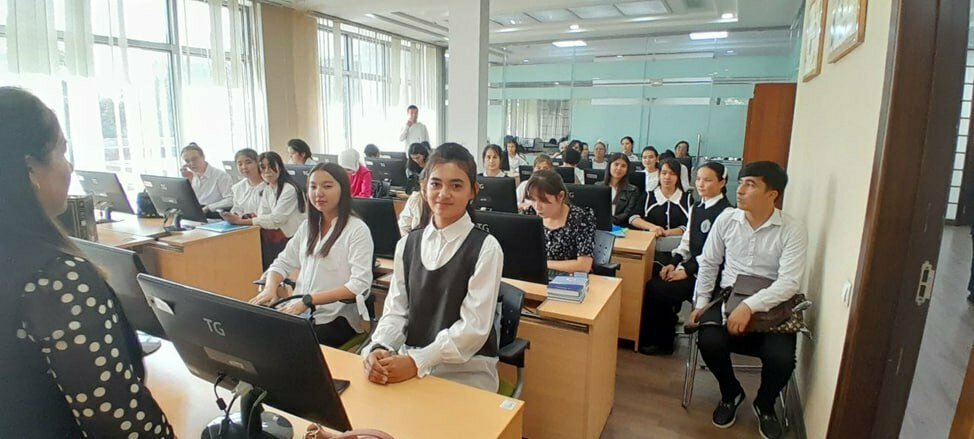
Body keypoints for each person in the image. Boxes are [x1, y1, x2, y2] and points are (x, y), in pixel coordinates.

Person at [0, 86, 173, 437]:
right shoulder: (57, 278)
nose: (69, 166)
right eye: (62, 151)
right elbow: (121, 425)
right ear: (31, 169)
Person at [362, 143, 504, 392]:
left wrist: (417, 362)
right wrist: (380, 346)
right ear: (423, 187)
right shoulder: (407, 244)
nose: (443, 193)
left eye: (456, 186)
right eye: (436, 184)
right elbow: (396, 311)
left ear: (473, 191)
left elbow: (473, 329)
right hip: (410, 359)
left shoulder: (486, 248)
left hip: (466, 371)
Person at [689, 161, 807, 439]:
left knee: (782, 360)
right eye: (740, 183)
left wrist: (749, 306)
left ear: (772, 194)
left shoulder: (792, 229)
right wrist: (701, 303)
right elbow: (709, 263)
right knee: (708, 340)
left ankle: (765, 404)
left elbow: (789, 283)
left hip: (772, 305)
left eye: (750, 184)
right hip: (727, 296)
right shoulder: (727, 219)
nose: (740, 190)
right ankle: (731, 392)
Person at [250, 163, 374, 348]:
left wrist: (310, 300)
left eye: (327, 186)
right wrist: (270, 288)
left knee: (283, 346)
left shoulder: (356, 229)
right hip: (300, 310)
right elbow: (281, 263)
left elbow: (359, 285)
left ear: (343, 189)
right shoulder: (307, 226)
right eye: (313, 187)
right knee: (255, 334)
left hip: (335, 317)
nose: (318, 193)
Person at [638, 162, 733, 356]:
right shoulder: (697, 207)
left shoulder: (727, 213)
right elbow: (687, 241)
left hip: (711, 278)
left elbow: (715, 255)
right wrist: (673, 263)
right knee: (656, 281)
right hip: (692, 269)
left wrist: (686, 271)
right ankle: (662, 335)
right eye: (698, 179)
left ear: (722, 183)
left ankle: (662, 343)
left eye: (707, 180)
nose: (701, 184)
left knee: (658, 290)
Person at [221, 151, 307, 269]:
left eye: (271, 166)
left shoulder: (289, 189)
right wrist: (249, 220)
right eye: (263, 167)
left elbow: (276, 220)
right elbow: (262, 215)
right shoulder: (268, 188)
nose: (267, 171)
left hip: (292, 238)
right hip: (276, 235)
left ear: (280, 167)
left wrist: (241, 221)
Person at [525, 170, 596, 275]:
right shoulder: (530, 214)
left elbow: (584, 266)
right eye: (533, 200)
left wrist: (542, 263)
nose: (537, 207)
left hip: (570, 279)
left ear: (560, 196)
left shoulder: (581, 218)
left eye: (543, 200)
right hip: (535, 276)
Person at [629, 159, 693, 238]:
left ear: (678, 176)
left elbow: (691, 224)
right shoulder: (648, 196)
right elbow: (633, 218)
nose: (667, 177)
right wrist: (652, 227)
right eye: (664, 173)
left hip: (679, 243)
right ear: (659, 175)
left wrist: (667, 233)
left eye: (672, 174)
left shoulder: (687, 199)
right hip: (650, 241)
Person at [180, 142, 233, 214]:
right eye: (187, 161)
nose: (191, 163)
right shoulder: (191, 176)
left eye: (194, 159)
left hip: (213, 215)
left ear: (203, 157)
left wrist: (208, 208)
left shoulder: (221, 176)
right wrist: (188, 180)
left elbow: (231, 200)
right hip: (197, 213)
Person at [599, 153, 641, 227]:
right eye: (616, 164)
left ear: (627, 170)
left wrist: (609, 221)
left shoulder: (633, 190)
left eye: (623, 166)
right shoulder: (598, 186)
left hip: (620, 227)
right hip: (599, 226)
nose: (619, 168)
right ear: (609, 166)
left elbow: (627, 213)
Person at [229, 148, 266, 216]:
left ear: (257, 162)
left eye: (248, 163)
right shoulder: (238, 187)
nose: (244, 167)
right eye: (240, 164)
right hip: (243, 222)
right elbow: (237, 210)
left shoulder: (269, 185)